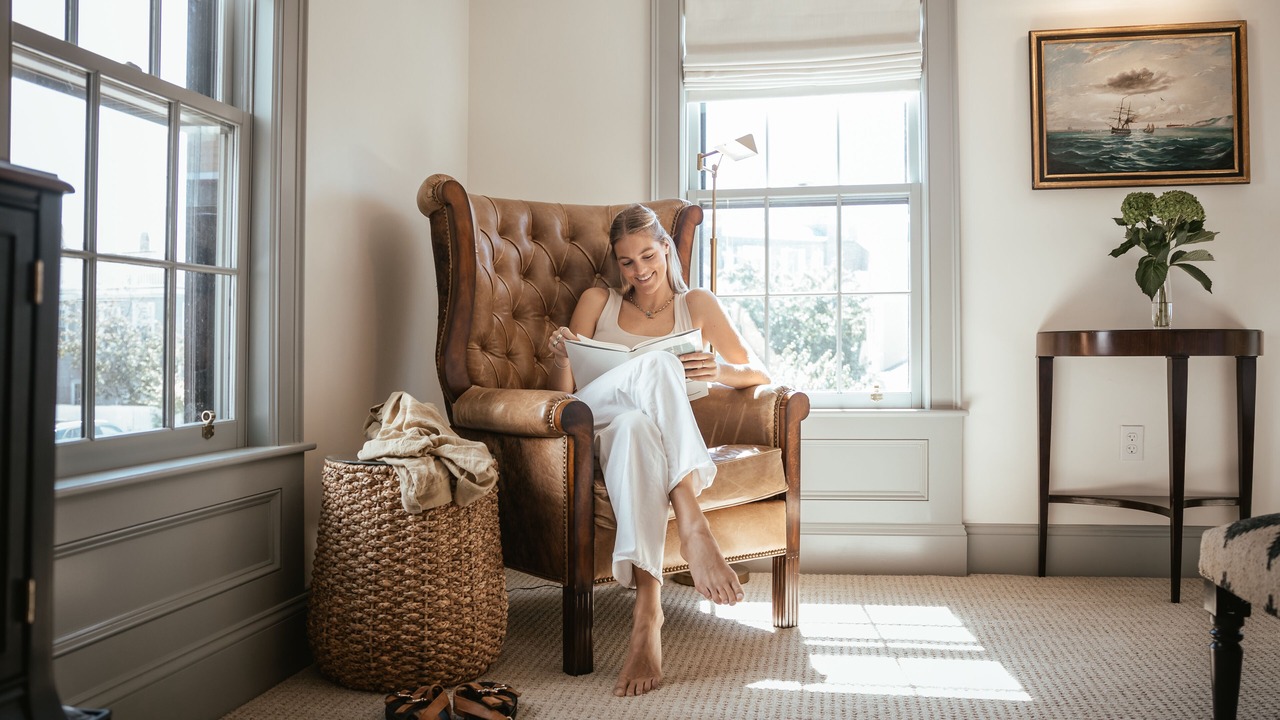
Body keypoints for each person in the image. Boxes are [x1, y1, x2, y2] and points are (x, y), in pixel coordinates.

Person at [546, 203, 771, 697]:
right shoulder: (596, 300)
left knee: (638, 431)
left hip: (629, 434)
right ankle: (692, 522)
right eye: (627, 261)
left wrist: (720, 373)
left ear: (666, 249)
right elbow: (564, 397)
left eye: (648, 255)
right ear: (616, 263)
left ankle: (648, 614)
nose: (640, 271)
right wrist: (563, 355)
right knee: (658, 369)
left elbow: (758, 373)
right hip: (591, 420)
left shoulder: (698, 305)